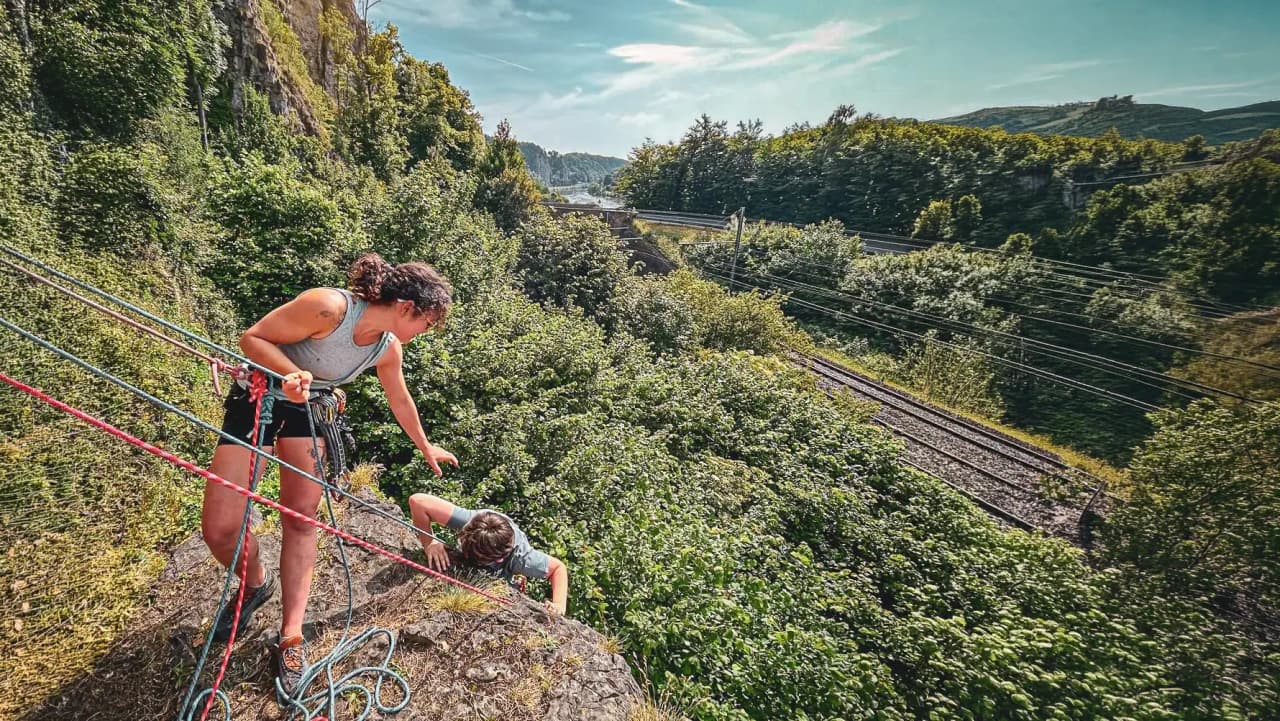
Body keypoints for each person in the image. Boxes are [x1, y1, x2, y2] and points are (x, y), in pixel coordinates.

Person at [200, 253, 458, 695]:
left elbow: (400, 399)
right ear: (405, 308)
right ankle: (257, 583)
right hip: (260, 397)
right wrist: (289, 372)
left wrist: (425, 445)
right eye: (427, 323)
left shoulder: (386, 347)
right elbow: (253, 338)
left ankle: (292, 636)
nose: (425, 334)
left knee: (301, 519)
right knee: (220, 529)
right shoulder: (328, 308)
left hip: (311, 411)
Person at [407, 493, 569, 615]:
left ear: (500, 557)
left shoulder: (521, 557)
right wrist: (430, 543)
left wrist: (558, 605)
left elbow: (558, 568)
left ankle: (514, 579)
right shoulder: (471, 522)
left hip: (505, 568)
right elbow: (418, 502)